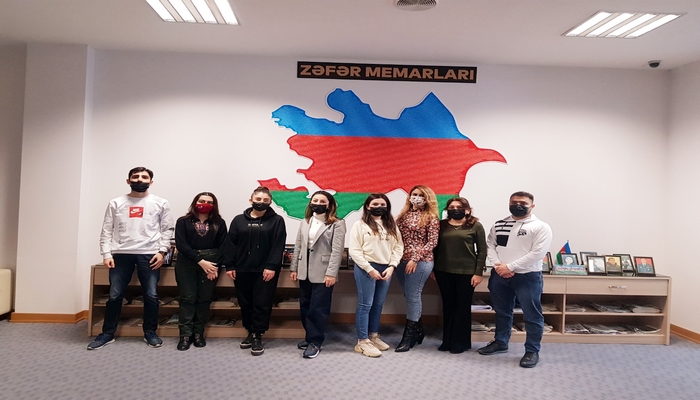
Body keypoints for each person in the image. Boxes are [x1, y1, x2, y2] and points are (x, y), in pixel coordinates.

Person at [88, 167, 174, 350]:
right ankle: (107, 333)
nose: (140, 179)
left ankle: (150, 332)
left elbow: (167, 229)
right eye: (135, 177)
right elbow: (106, 230)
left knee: (151, 295)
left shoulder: (161, 203)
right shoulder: (116, 203)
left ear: (151, 181)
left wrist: (162, 252)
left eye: (144, 177)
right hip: (121, 254)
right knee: (115, 295)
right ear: (128, 181)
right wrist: (106, 254)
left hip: (150, 254)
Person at [478, 191, 552, 368]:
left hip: (527, 277)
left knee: (532, 315)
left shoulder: (541, 227)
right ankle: (501, 342)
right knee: (502, 312)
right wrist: (498, 265)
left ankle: (532, 351)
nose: (518, 205)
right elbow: (490, 245)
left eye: (523, 203)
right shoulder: (500, 224)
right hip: (500, 275)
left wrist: (510, 267)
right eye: (514, 202)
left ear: (532, 206)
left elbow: (537, 253)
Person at [224, 186, 286, 356]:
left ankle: (258, 334)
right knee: (245, 302)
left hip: (265, 271)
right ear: (251, 200)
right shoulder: (238, 220)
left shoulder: (277, 220)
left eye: (265, 200)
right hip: (242, 269)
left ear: (270, 202)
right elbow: (231, 244)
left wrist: (271, 266)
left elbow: (278, 245)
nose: (261, 202)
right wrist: (230, 265)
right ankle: (250, 332)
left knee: (262, 303)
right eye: (258, 199)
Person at [289, 191, 346, 358]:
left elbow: (337, 251)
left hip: (324, 272)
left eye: (322, 201)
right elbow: (298, 246)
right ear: (310, 202)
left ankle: (315, 341)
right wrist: (294, 268)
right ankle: (309, 336)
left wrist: (332, 273)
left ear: (329, 205)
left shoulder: (337, 223)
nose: (318, 203)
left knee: (318, 307)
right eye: (315, 200)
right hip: (304, 270)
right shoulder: (305, 221)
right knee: (305, 305)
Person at [349, 193, 404, 357]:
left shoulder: (391, 225)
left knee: (378, 304)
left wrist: (392, 266)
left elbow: (398, 247)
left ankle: (373, 336)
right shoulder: (360, 225)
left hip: (386, 268)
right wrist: (369, 269)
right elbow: (355, 250)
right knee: (365, 304)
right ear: (367, 206)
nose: (379, 207)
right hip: (366, 267)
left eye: (382, 205)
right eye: (375, 204)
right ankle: (362, 341)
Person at [174, 192, 228, 351]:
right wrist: (200, 261)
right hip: (187, 262)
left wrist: (214, 266)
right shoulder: (183, 221)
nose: (205, 204)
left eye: (209, 202)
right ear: (195, 202)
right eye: (202, 201)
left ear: (214, 205)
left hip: (212, 264)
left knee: (204, 299)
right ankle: (185, 335)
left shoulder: (219, 223)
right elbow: (181, 244)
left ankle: (198, 334)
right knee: (188, 299)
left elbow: (224, 246)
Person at [432, 197, 485, 354]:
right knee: (448, 305)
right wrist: (433, 269)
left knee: (462, 307)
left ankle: (460, 343)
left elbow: (482, 251)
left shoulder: (475, 225)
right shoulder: (441, 225)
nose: (455, 209)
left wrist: (478, 272)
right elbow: (434, 248)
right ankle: (447, 341)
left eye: (459, 207)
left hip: (467, 272)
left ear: (467, 210)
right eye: (451, 207)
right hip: (443, 270)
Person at [394, 185, 439, 352]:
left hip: (420, 261)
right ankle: (419, 330)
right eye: (414, 194)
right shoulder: (403, 215)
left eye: (421, 195)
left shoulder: (431, 217)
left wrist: (415, 259)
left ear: (427, 198)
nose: (417, 197)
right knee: (408, 295)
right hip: (401, 260)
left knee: (413, 296)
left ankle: (409, 335)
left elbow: (432, 242)